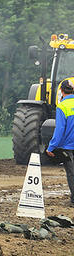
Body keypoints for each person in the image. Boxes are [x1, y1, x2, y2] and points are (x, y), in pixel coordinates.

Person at [46, 79, 74, 207]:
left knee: (72, 173)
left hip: (68, 146)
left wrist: (51, 147)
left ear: (61, 91)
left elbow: (60, 129)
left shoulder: (62, 106)